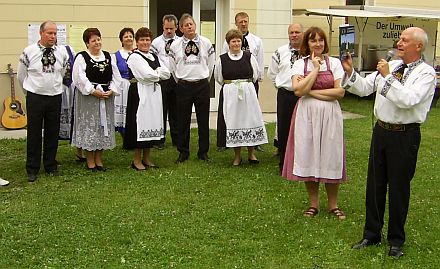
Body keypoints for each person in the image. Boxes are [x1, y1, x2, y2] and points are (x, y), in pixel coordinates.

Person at [342, 27, 437, 257]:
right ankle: (371, 234)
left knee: (398, 187)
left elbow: (408, 100)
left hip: (405, 135)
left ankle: (396, 240)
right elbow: (365, 89)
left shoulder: (426, 74)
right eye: (400, 38)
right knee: (374, 185)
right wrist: (351, 72)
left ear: (419, 46)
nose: (400, 42)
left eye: (405, 40)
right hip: (381, 131)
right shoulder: (392, 65)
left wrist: (386, 77)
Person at [282, 26, 346, 220]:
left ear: (325, 43)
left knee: (330, 155)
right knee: (308, 154)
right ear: (307, 44)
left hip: (329, 115)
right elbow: (297, 90)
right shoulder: (299, 64)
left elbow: (339, 92)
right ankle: (313, 204)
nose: (317, 44)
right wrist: (315, 69)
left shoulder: (334, 63)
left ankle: (333, 204)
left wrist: (310, 91)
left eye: (320, 40)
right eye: (313, 40)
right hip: (306, 115)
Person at [17, 20, 69, 182]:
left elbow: (63, 73)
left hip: (55, 97)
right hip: (35, 97)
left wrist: (54, 88)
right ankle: (32, 168)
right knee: (34, 133)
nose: (53, 36)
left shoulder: (62, 52)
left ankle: (50, 165)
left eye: (55, 33)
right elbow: (21, 75)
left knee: (52, 132)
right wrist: (29, 92)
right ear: (41, 33)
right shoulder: (29, 51)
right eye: (49, 33)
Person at [214, 29, 268, 166]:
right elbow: (219, 78)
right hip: (231, 95)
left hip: (247, 94)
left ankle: (251, 154)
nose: (236, 43)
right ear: (228, 43)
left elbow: (255, 75)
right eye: (233, 41)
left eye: (238, 40)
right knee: (234, 121)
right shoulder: (222, 59)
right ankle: (237, 156)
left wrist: (244, 86)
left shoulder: (249, 57)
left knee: (249, 120)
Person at [71, 28, 121, 172]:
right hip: (89, 98)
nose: (97, 42)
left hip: (106, 96)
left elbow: (116, 76)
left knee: (103, 127)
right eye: (93, 40)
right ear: (87, 43)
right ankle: (90, 160)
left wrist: (112, 89)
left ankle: (99, 158)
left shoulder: (108, 56)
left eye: (98, 39)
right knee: (90, 126)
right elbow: (79, 78)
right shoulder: (81, 57)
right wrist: (93, 91)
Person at [168, 13, 215, 164]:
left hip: (202, 85)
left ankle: (203, 152)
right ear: (180, 28)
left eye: (191, 24)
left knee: (203, 120)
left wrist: (204, 79)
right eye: (186, 25)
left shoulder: (206, 42)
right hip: (184, 86)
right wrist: (181, 80)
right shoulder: (174, 45)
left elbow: (211, 64)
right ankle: (183, 152)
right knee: (183, 120)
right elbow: (172, 67)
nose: (189, 27)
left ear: (195, 25)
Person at [124, 27, 170, 170]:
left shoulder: (153, 56)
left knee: (152, 122)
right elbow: (146, 75)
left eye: (147, 40)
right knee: (141, 124)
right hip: (140, 93)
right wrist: (157, 73)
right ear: (137, 42)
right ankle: (136, 160)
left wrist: (155, 73)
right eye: (142, 40)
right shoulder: (134, 57)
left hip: (154, 94)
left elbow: (167, 73)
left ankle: (147, 158)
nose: (145, 42)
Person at [219, 12, 265, 152]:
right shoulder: (227, 44)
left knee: (250, 114)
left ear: (248, 22)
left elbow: (259, 62)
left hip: (249, 83)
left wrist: (257, 79)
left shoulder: (256, 41)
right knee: (232, 115)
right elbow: (221, 70)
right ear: (236, 23)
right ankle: (229, 140)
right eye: (240, 22)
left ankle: (254, 143)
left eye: (245, 21)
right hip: (232, 85)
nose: (243, 24)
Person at [268, 23, 303, 174]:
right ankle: (283, 163)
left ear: (302, 34)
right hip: (285, 95)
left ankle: (301, 162)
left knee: (303, 128)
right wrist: (282, 86)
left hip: (304, 96)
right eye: (291, 32)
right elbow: (272, 73)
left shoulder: (308, 52)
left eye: (297, 32)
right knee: (284, 129)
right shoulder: (279, 52)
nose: (294, 35)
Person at [151, 14, 180, 150]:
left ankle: (176, 138)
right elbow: (152, 61)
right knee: (160, 110)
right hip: (162, 80)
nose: (169, 31)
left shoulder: (181, 42)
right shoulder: (155, 43)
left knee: (176, 111)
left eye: (171, 28)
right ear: (163, 26)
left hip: (176, 79)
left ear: (176, 27)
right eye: (166, 28)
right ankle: (160, 139)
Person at [113, 27, 134, 138]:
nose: (128, 38)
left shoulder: (137, 53)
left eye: (130, 36)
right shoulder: (116, 55)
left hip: (135, 85)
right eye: (126, 36)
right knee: (123, 112)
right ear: (121, 40)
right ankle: (124, 136)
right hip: (123, 85)